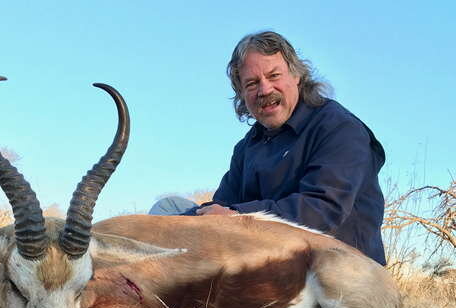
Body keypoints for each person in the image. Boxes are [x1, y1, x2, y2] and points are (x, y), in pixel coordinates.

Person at [149, 31, 387, 265]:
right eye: (252, 83)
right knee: (168, 209)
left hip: (334, 265)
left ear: (296, 76)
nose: (264, 90)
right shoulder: (247, 146)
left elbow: (322, 210)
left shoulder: (339, 128)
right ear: (242, 94)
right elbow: (222, 206)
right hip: (265, 260)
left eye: (274, 76)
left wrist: (238, 218)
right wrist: (183, 223)